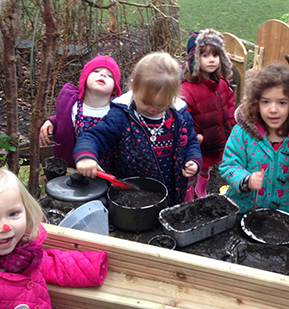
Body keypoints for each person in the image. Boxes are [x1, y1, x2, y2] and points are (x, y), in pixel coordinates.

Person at [0, 167, 108, 309]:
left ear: (26, 210)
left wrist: (93, 266)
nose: (5, 227)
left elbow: (51, 264)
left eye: (13, 213)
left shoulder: (26, 252)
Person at [74, 52, 202, 206]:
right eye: (147, 102)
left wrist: (193, 160)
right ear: (134, 86)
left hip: (173, 191)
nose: (153, 109)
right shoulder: (122, 116)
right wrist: (86, 156)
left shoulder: (181, 117)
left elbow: (191, 142)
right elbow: (94, 136)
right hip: (132, 196)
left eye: (161, 105)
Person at [219, 64, 289, 218]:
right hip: (244, 211)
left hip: (284, 214)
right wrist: (246, 180)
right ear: (256, 103)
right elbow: (229, 165)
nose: (273, 109)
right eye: (266, 102)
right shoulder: (242, 133)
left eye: (281, 102)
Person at [39, 55, 122, 169]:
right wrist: (52, 121)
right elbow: (64, 120)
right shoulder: (73, 106)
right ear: (85, 77)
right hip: (77, 168)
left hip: (108, 172)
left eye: (110, 75)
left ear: (115, 89)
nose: (102, 75)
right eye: (96, 71)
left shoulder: (117, 111)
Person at [181, 29, 236, 201]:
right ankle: (189, 196)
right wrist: (192, 137)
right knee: (192, 169)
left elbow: (230, 107)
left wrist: (232, 128)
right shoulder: (187, 89)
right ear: (195, 58)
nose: (211, 59)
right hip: (198, 142)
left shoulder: (223, 84)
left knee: (207, 168)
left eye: (215, 55)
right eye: (205, 55)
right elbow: (182, 118)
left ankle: (201, 190)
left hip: (217, 139)